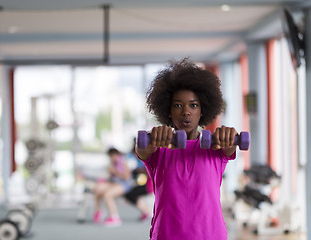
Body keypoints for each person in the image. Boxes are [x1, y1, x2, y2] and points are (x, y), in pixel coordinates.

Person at [135, 58, 239, 240]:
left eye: (193, 105)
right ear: (168, 110)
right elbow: (142, 148)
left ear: (203, 109)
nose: (186, 112)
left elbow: (229, 148)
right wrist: (155, 136)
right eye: (177, 105)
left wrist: (229, 136)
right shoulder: (158, 148)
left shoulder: (216, 146)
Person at [93, 147, 133, 227]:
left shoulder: (123, 162)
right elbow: (112, 178)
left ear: (117, 155)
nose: (111, 158)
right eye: (110, 157)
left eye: (112, 156)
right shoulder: (112, 163)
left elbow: (126, 177)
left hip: (125, 184)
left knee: (107, 194)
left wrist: (115, 171)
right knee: (98, 188)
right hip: (115, 183)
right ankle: (99, 211)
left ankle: (115, 217)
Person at [124, 141, 153, 221]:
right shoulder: (134, 157)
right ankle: (145, 211)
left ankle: (146, 211)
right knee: (131, 193)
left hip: (149, 184)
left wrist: (138, 170)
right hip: (145, 183)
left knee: (130, 193)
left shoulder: (149, 157)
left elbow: (148, 171)